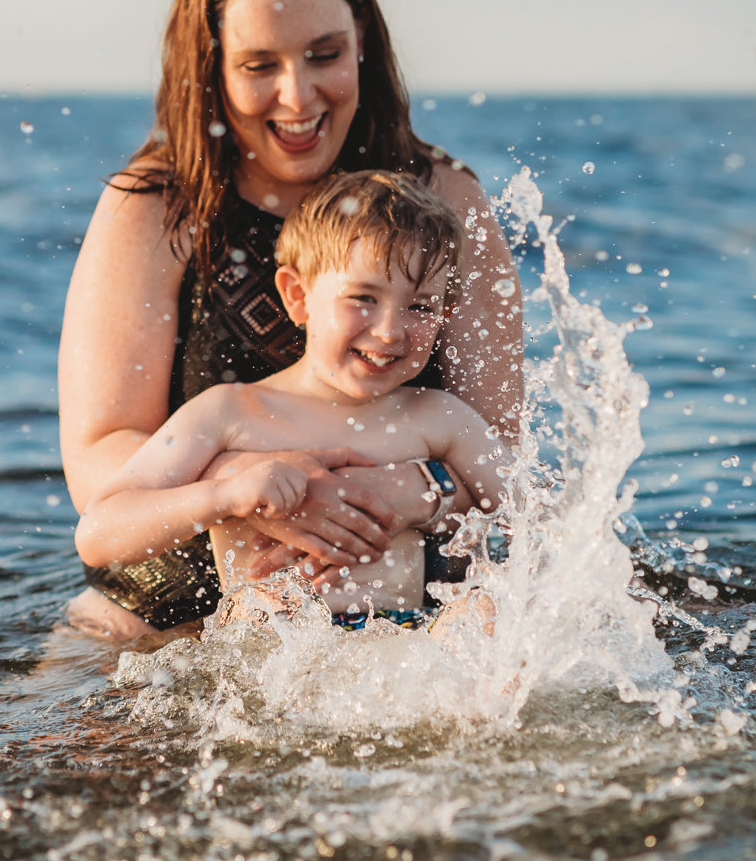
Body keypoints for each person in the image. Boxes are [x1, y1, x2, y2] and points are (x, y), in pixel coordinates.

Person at [59, 0, 522, 639]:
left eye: (323, 55)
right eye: (259, 65)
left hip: (415, 622)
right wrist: (258, 489)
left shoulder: (443, 197)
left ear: (362, 46)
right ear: (209, 63)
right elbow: (102, 461)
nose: (297, 96)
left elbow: (501, 449)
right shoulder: (154, 208)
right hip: (174, 615)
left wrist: (418, 488)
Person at [75, 172, 510, 629]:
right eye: (363, 297)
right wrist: (223, 496)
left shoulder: (437, 417)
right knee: (259, 618)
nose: (390, 331)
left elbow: (531, 517)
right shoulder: (228, 412)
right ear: (298, 296)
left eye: (419, 307)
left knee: (482, 615)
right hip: (271, 650)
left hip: (402, 643)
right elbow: (99, 533)